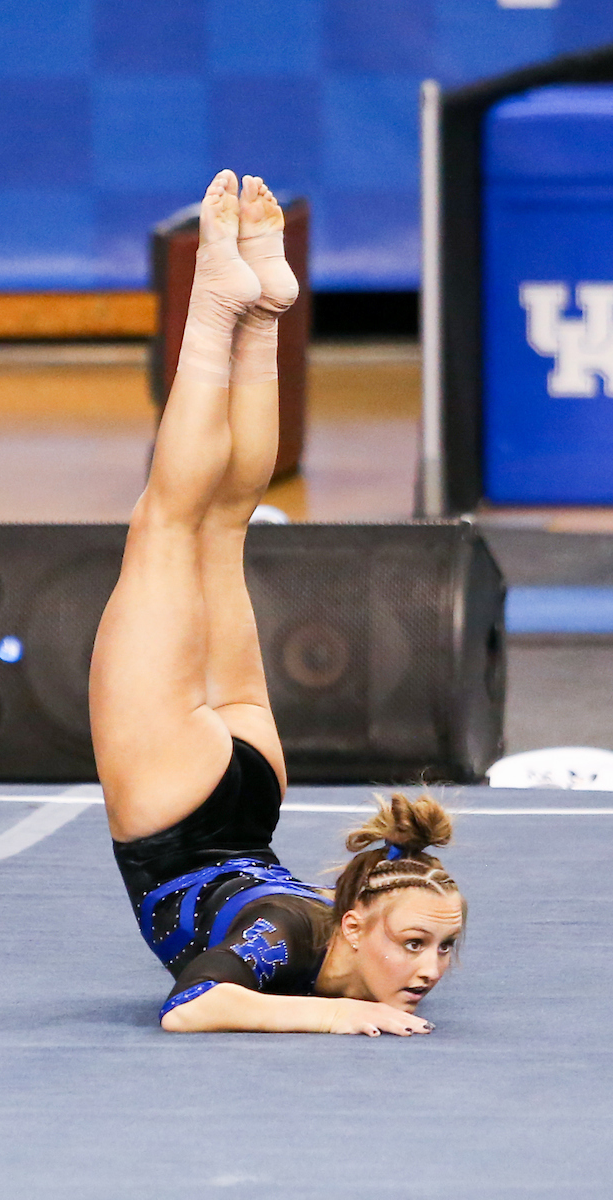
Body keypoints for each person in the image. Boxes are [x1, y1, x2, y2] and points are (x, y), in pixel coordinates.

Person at [89, 170, 465, 1035]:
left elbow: (209, 998)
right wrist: (333, 1020)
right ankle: (224, 309)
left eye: (439, 950)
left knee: (215, 527)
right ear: (356, 922)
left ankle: (261, 315)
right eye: (416, 944)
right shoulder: (292, 936)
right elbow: (194, 1007)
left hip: (251, 793)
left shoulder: (323, 935)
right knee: (173, 522)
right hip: (178, 807)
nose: (428, 970)